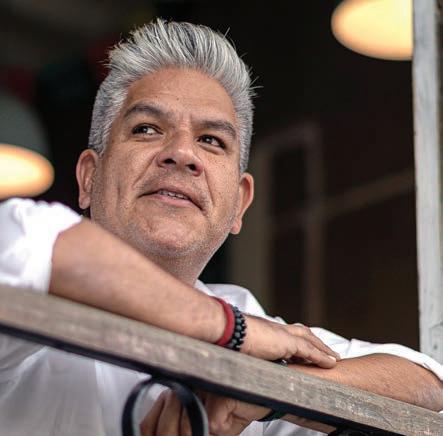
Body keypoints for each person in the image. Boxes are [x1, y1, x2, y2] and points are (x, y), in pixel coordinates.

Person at [0, 19, 441, 436]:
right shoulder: (244, 329)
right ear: (88, 179)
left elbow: (430, 386)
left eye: (211, 140)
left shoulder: (254, 329)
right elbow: (26, 239)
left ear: (239, 204)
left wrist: (271, 390)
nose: (182, 153)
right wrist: (228, 331)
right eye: (148, 128)